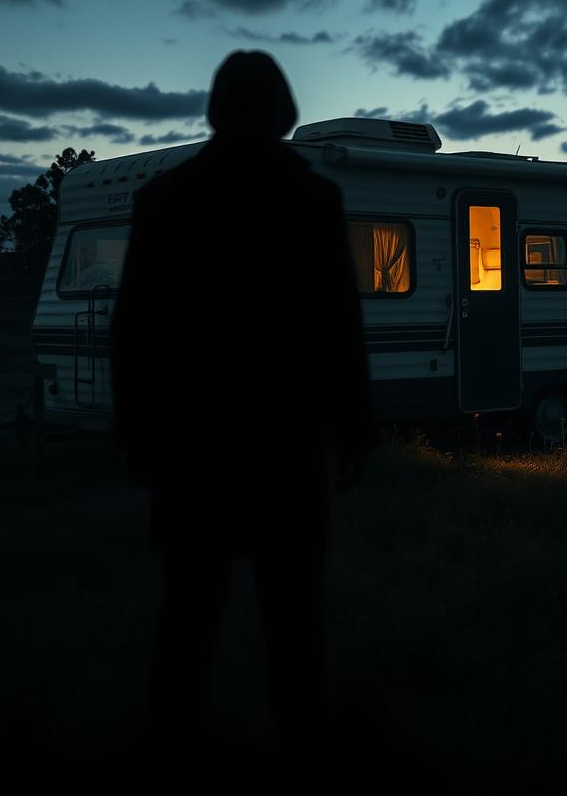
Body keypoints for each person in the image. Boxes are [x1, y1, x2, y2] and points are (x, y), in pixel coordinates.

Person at [110, 51, 376, 770]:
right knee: (293, 619)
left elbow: (133, 332)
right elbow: (336, 328)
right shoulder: (312, 199)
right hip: (288, 447)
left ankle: (172, 745)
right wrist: (353, 434)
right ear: (283, 112)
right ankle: (302, 750)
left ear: (216, 110)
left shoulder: (164, 201)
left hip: (190, 447)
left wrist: (136, 437)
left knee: (189, 610)